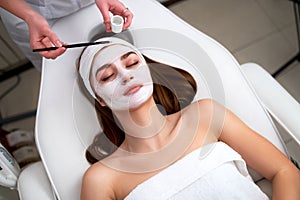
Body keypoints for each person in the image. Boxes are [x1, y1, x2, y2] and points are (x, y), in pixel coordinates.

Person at [78, 37, 300, 200]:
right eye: (108, 76)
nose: (126, 76)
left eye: (132, 63)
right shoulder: (102, 179)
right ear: (101, 100)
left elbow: (284, 171)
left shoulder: (206, 115)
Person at [0, 0, 133, 70]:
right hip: (30, 10)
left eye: (133, 63)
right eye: (107, 76)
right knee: (57, 69)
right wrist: (30, 16)